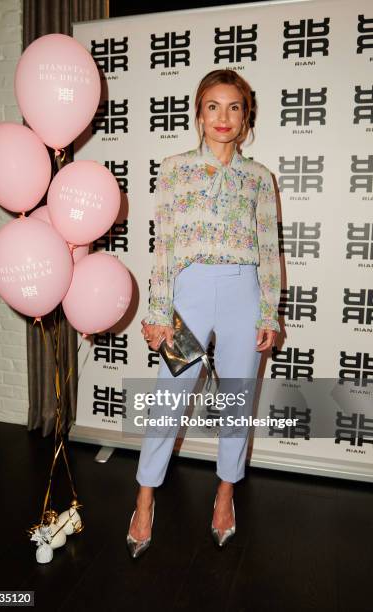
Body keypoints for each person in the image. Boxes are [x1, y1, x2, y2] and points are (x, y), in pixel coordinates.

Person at [126, 69, 281, 557]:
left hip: (242, 293)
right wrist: (157, 311)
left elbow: (270, 249)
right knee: (169, 401)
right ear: (198, 112)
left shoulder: (259, 178)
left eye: (234, 107)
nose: (224, 117)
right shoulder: (174, 169)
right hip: (187, 295)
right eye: (213, 106)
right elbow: (164, 248)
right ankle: (144, 499)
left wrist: (269, 313)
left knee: (236, 403)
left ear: (246, 116)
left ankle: (225, 494)